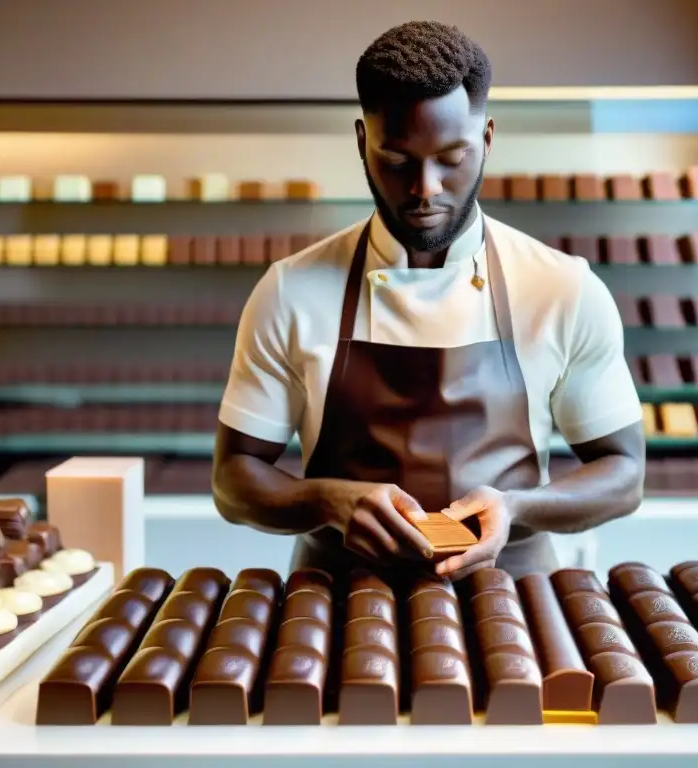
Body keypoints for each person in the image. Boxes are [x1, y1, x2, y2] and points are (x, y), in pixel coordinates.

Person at [212, 20, 645, 581]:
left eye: (452, 158)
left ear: (487, 139)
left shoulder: (563, 287)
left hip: (514, 606)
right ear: (363, 143)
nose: (426, 189)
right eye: (397, 162)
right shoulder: (291, 290)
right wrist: (329, 501)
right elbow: (234, 479)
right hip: (333, 617)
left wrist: (517, 508)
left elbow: (623, 473)